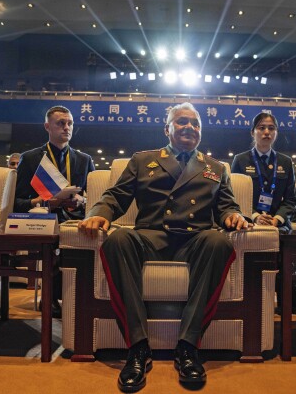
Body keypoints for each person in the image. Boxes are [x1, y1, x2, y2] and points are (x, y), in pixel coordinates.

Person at [78, 102, 251, 392]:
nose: (189, 128)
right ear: (167, 129)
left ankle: (187, 347)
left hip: (195, 240)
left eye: (195, 124)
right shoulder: (143, 160)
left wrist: (233, 216)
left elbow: (226, 207)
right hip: (150, 238)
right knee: (119, 239)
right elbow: (116, 196)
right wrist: (98, 214)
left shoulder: (215, 167)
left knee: (219, 241)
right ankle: (138, 348)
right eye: (181, 122)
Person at [15, 105, 95, 317]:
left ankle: (72, 295)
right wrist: (39, 200)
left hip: (75, 218)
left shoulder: (84, 160)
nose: (66, 127)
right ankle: (51, 296)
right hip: (43, 218)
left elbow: (96, 199)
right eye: (61, 123)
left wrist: (82, 200)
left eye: (69, 123)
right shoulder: (31, 158)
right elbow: (17, 201)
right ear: (47, 126)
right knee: (54, 246)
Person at [231, 112, 296, 233]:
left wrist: (277, 219)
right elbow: (234, 196)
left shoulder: (285, 162)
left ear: (276, 133)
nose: (267, 132)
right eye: (261, 128)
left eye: (271, 128)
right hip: (248, 222)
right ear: (252, 132)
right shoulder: (240, 160)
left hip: (278, 225)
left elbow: (291, 199)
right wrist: (255, 216)